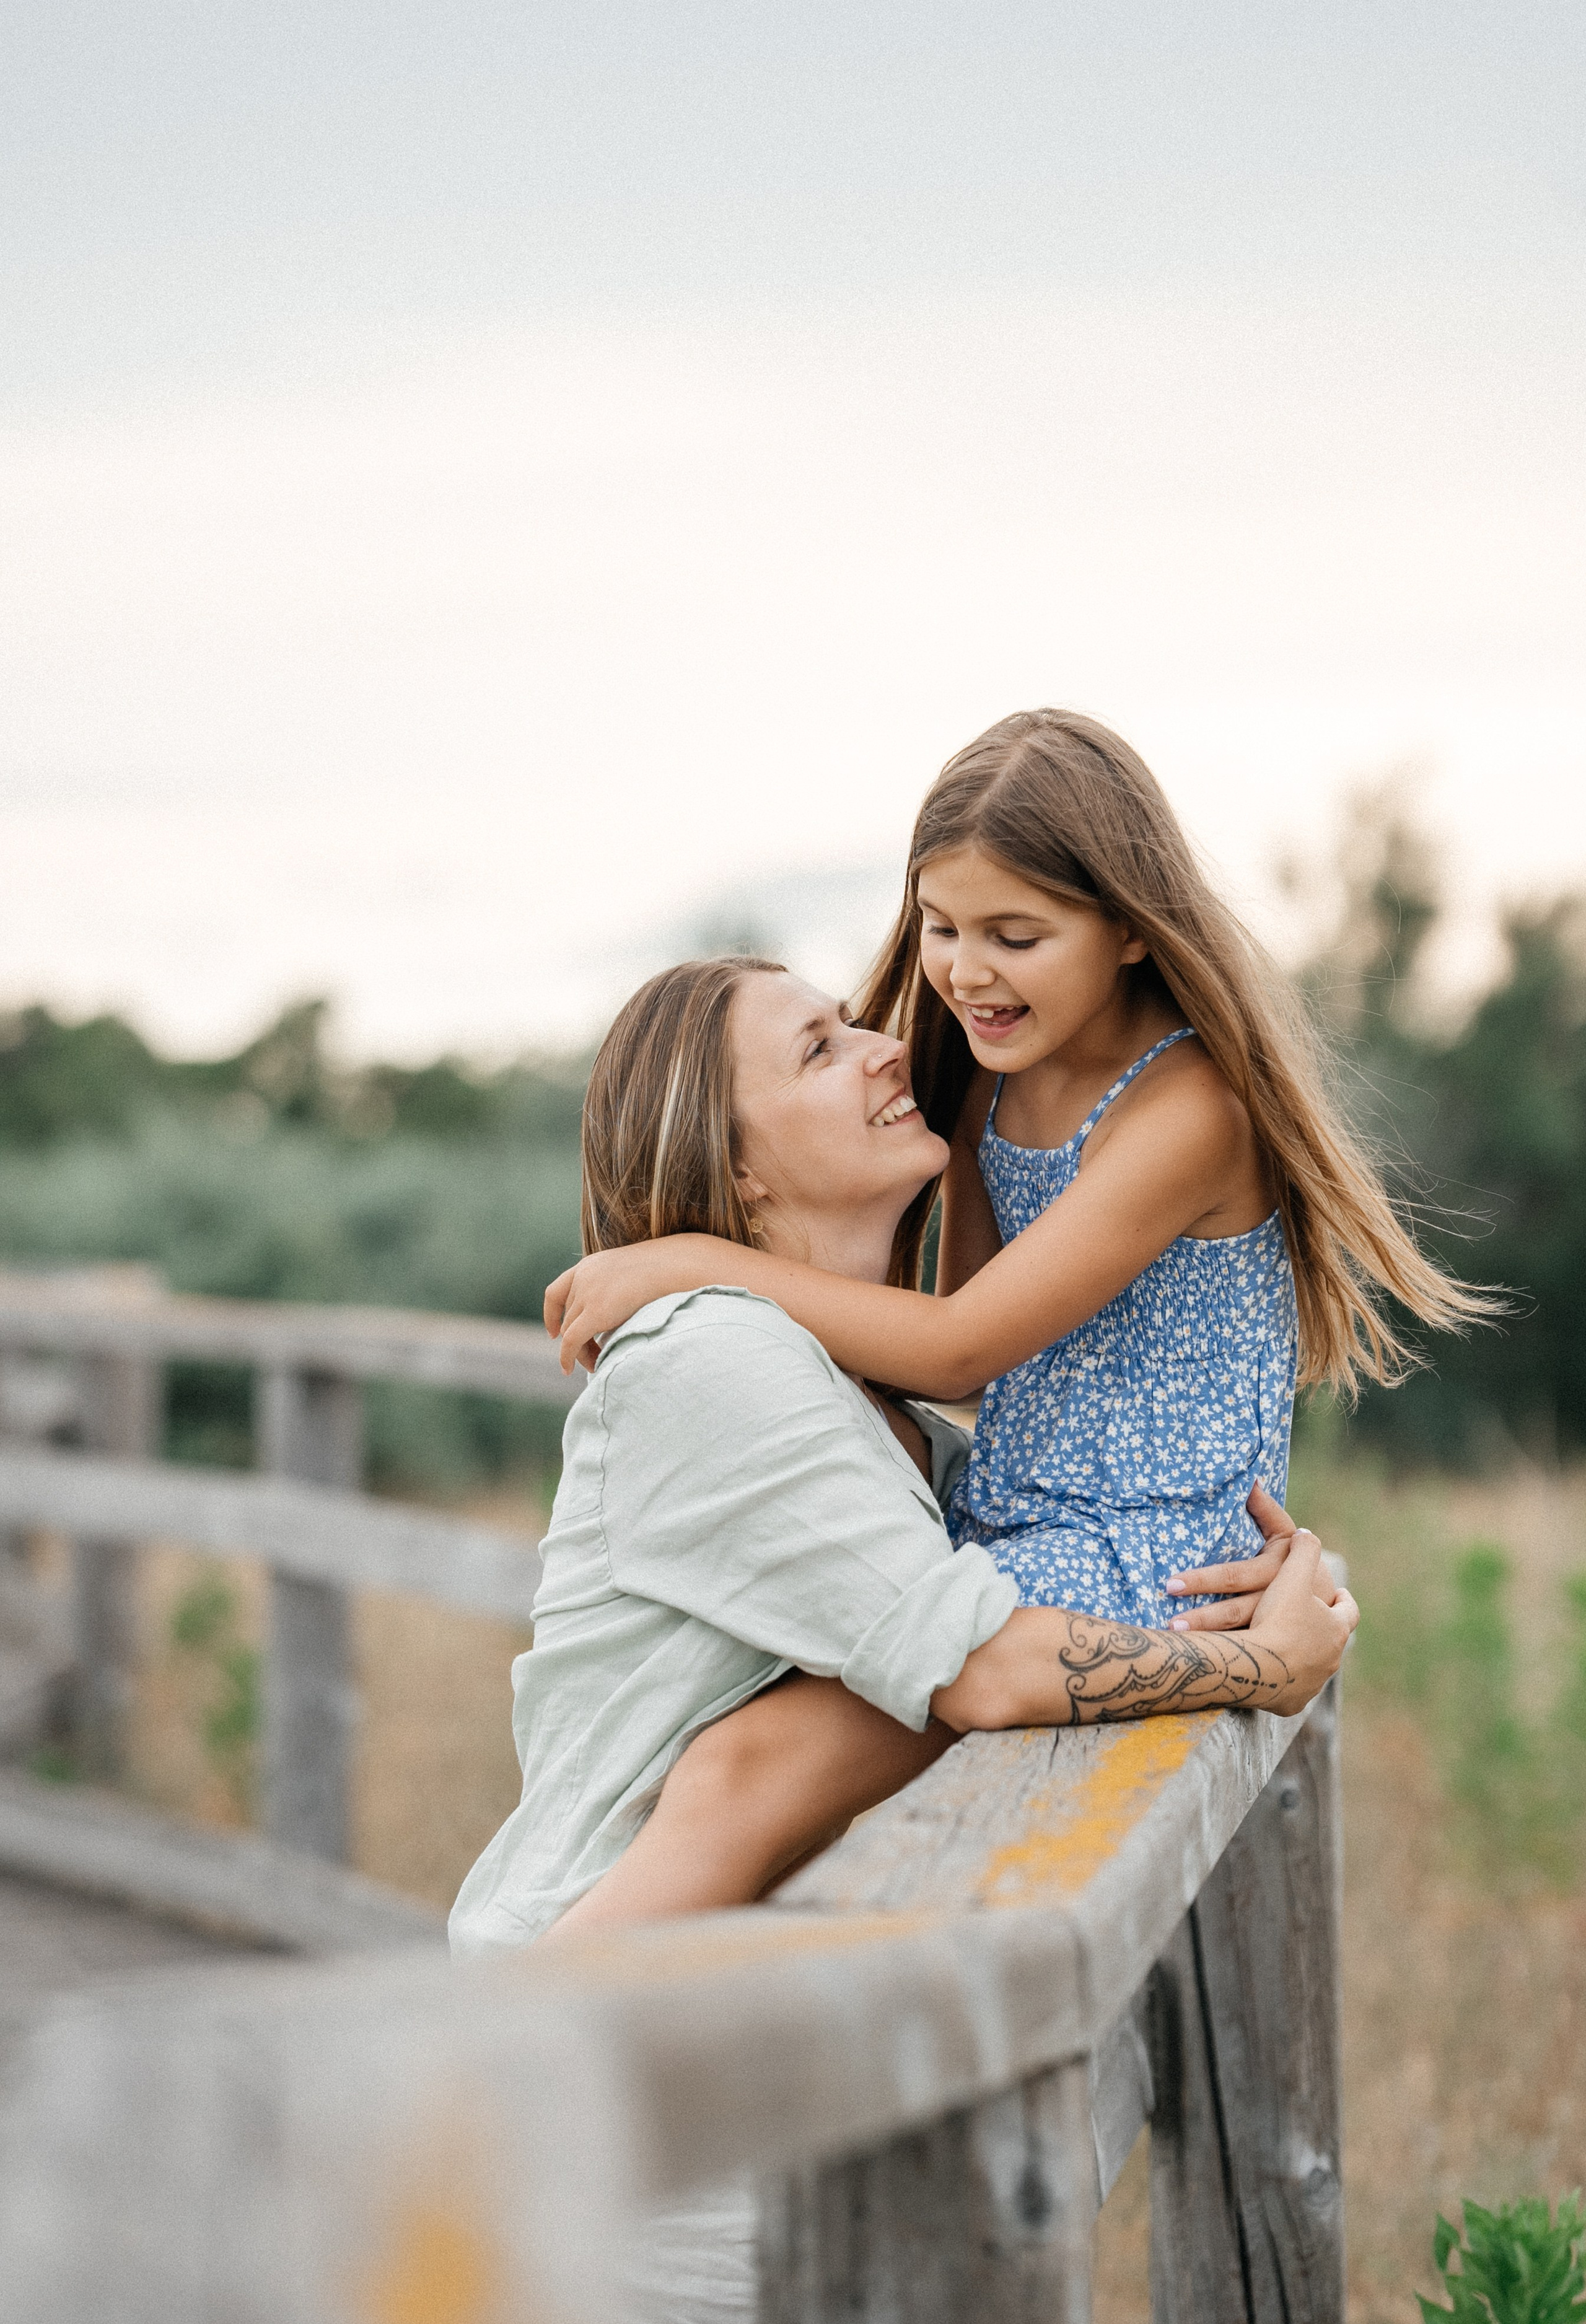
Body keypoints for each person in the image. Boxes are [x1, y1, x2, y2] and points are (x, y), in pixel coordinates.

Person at [450, 955, 1356, 1958]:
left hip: (690, 2002)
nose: (887, 1052)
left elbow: (1002, 1588)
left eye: (853, 1026)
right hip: (568, 1999)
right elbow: (977, 1664)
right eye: (820, 1049)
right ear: (737, 1164)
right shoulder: (707, 1356)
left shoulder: (844, 1389)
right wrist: (1255, 1660)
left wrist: (1219, 1558)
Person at [548, 709, 1496, 1631]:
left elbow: (957, 1346)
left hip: (1157, 1556)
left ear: (1131, 928)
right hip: (1018, 1524)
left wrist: (686, 1264)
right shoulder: (987, 1079)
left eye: (1016, 937)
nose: (964, 973)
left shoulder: (1188, 1114)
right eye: (942, 926)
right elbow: (972, 1368)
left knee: (867, 1670)